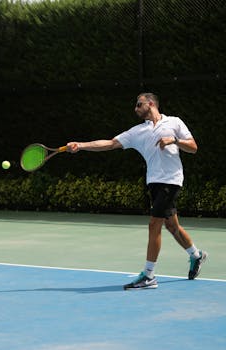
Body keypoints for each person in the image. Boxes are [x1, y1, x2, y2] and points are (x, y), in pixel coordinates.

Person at [66, 92, 208, 290]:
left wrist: (174, 140)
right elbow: (110, 143)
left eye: (138, 104)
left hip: (171, 181)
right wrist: (80, 145)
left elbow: (193, 147)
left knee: (154, 224)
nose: (135, 108)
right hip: (154, 183)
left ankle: (149, 276)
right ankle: (197, 255)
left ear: (150, 103)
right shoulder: (138, 131)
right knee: (172, 227)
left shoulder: (174, 122)